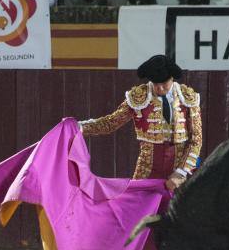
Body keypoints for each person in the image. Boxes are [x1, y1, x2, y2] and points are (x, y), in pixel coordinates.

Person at [79, 54, 202, 191]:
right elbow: (111, 123)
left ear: (172, 78)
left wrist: (181, 172)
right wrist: (81, 127)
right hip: (147, 169)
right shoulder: (138, 97)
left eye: (164, 84)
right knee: (136, 208)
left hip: (178, 167)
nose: (160, 88)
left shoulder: (188, 97)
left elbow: (196, 140)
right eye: (156, 84)